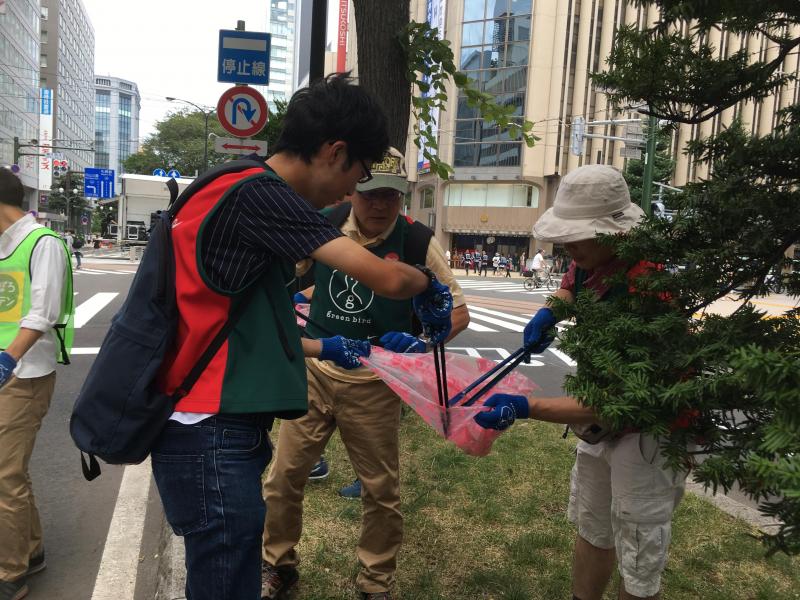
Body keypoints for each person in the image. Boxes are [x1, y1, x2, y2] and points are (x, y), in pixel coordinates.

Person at [150, 74, 453, 600]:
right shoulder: (264, 198)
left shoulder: (234, 185)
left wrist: (385, 342)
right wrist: (425, 287)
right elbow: (385, 277)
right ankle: (278, 567)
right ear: (335, 153)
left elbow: (255, 324)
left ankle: (368, 579)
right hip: (207, 422)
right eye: (357, 178)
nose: (353, 195)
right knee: (229, 567)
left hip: (217, 416)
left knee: (229, 561)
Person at [261, 147, 469, 600]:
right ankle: (278, 565)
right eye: (372, 194)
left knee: (381, 490)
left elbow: (459, 312)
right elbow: (281, 282)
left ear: (403, 197)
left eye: (392, 196)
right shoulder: (325, 222)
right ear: (354, 189)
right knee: (283, 477)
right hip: (315, 371)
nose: (380, 206)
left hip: (377, 383)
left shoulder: (416, 243)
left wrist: (423, 343)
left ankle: (375, 582)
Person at [474, 165, 686, 600]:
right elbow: (570, 286)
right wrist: (551, 310)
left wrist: (525, 407)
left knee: (639, 549)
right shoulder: (589, 261)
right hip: (599, 428)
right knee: (593, 523)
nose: (567, 245)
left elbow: (614, 403)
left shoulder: (649, 289)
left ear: (613, 231)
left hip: (648, 433)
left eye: (577, 234)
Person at [0, 168, 73, 600]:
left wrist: (6, 360)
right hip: (7, 370)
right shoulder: (4, 248)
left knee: (5, 476)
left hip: (23, 375)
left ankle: (11, 573)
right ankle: (29, 550)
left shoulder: (43, 244)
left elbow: (41, 312)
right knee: (9, 473)